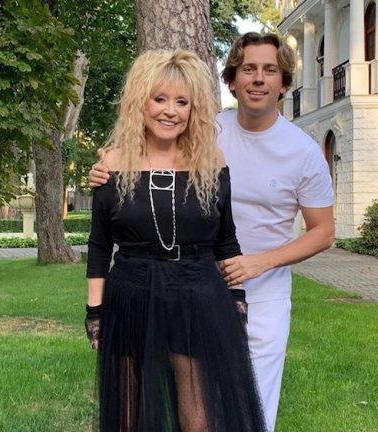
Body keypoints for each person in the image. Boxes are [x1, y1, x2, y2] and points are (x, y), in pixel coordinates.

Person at [88, 32, 335, 432]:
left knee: (248, 406)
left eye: (270, 70)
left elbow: (323, 232)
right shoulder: (208, 129)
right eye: (248, 69)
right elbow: (144, 157)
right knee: (173, 406)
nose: (258, 79)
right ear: (232, 81)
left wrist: (256, 266)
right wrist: (108, 167)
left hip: (258, 288)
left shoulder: (303, 150)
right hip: (189, 283)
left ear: (284, 84)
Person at [85, 48, 266, 432]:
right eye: (160, 99)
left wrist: (237, 298)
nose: (170, 111)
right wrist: (95, 312)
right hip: (131, 295)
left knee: (197, 417)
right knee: (128, 415)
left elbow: (226, 240)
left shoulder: (211, 162)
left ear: (193, 109)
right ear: (140, 102)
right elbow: (100, 247)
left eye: (182, 102)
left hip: (197, 294)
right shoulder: (111, 165)